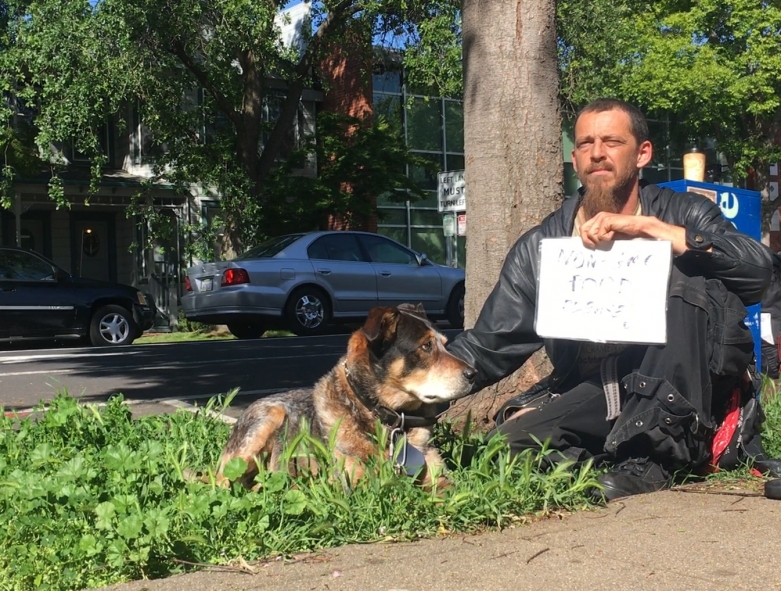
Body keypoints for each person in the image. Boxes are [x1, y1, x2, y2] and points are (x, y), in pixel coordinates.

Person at [446, 98, 774, 501]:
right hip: (598, 389)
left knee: (688, 276)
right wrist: (401, 382)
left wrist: (656, 231)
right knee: (504, 448)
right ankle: (623, 454)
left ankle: (658, 456)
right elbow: (489, 344)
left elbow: (758, 273)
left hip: (680, 389)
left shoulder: (683, 212)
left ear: (642, 154)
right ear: (575, 157)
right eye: (585, 144)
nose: (597, 153)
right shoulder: (544, 244)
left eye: (612, 141)